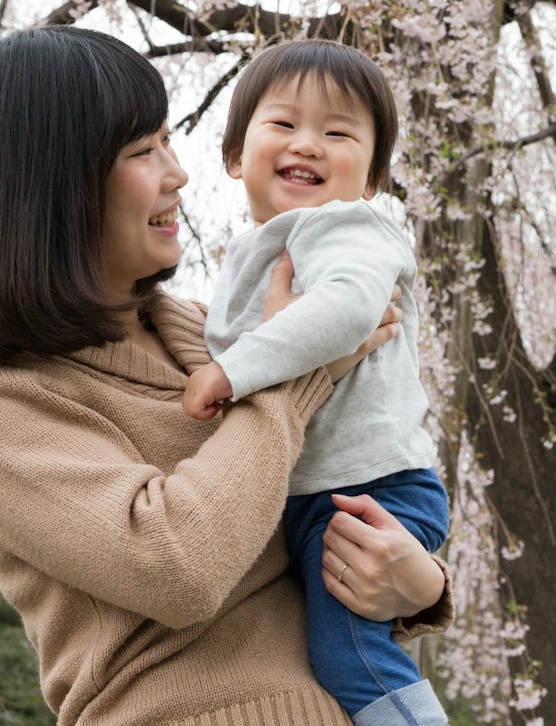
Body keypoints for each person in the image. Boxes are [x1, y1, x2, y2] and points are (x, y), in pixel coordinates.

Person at [0, 26, 452, 726]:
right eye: (143, 151)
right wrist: (295, 370)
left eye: (168, 142)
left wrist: (418, 581)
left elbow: (332, 492)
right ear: (51, 186)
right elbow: (177, 568)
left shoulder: (209, 333)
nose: (178, 173)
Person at [180, 40, 449, 726]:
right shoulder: (258, 248)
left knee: (349, 656)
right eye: (283, 124)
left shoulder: (348, 224)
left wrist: (235, 370)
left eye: (337, 132)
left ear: (374, 178)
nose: (309, 144)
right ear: (236, 155)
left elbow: (349, 312)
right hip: (317, 493)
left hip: (369, 487)